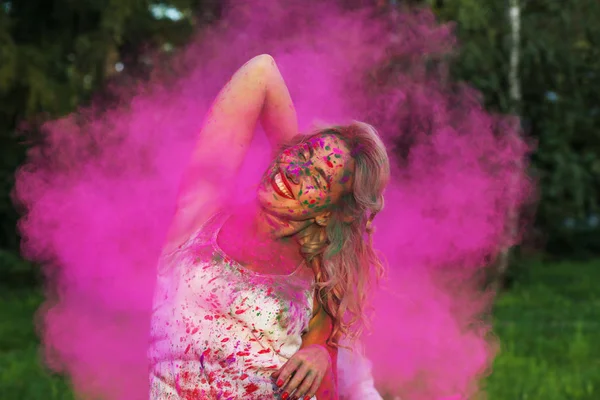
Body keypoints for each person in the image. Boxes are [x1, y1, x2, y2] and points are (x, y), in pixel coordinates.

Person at [148, 54, 390, 400]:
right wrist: (296, 174)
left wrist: (320, 352)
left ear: (327, 214)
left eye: (318, 177)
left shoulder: (317, 277)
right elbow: (261, 71)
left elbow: (334, 385)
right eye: (301, 155)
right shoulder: (198, 216)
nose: (295, 171)